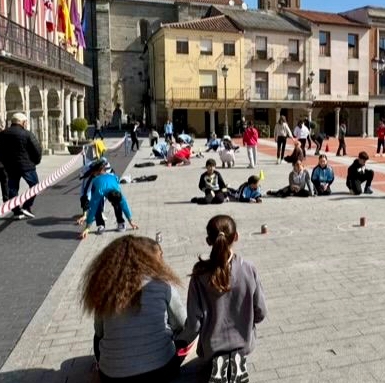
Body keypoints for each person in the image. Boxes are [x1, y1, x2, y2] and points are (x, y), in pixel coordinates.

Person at [82, 235, 186, 382]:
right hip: (162, 371)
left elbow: (99, 332)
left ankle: (101, 365)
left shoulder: (106, 290)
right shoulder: (163, 286)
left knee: (98, 337)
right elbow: (182, 324)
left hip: (113, 377)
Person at [177, 215, 267, 383]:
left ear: (208, 240)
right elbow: (260, 312)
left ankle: (217, 363)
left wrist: (181, 340)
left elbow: (194, 324)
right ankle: (236, 359)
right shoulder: (248, 269)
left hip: (212, 345)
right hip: (242, 341)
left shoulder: (200, 274)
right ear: (236, 236)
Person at [0, 113, 41, 219]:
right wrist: (35, 161)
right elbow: (37, 149)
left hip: (11, 166)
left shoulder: (3, 134)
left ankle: (16, 211)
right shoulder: (27, 134)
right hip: (27, 166)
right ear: (23, 122)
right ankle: (26, 206)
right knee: (35, 186)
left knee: (12, 188)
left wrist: (5, 162)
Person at [79, 164, 139, 237]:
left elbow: (125, 206)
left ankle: (121, 223)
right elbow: (92, 209)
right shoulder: (99, 191)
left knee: (118, 204)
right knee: (97, 205)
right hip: (98, 184)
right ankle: (101, 225)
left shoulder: (118, 191)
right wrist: (87, 228)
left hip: (112, 180)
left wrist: (131, 222)